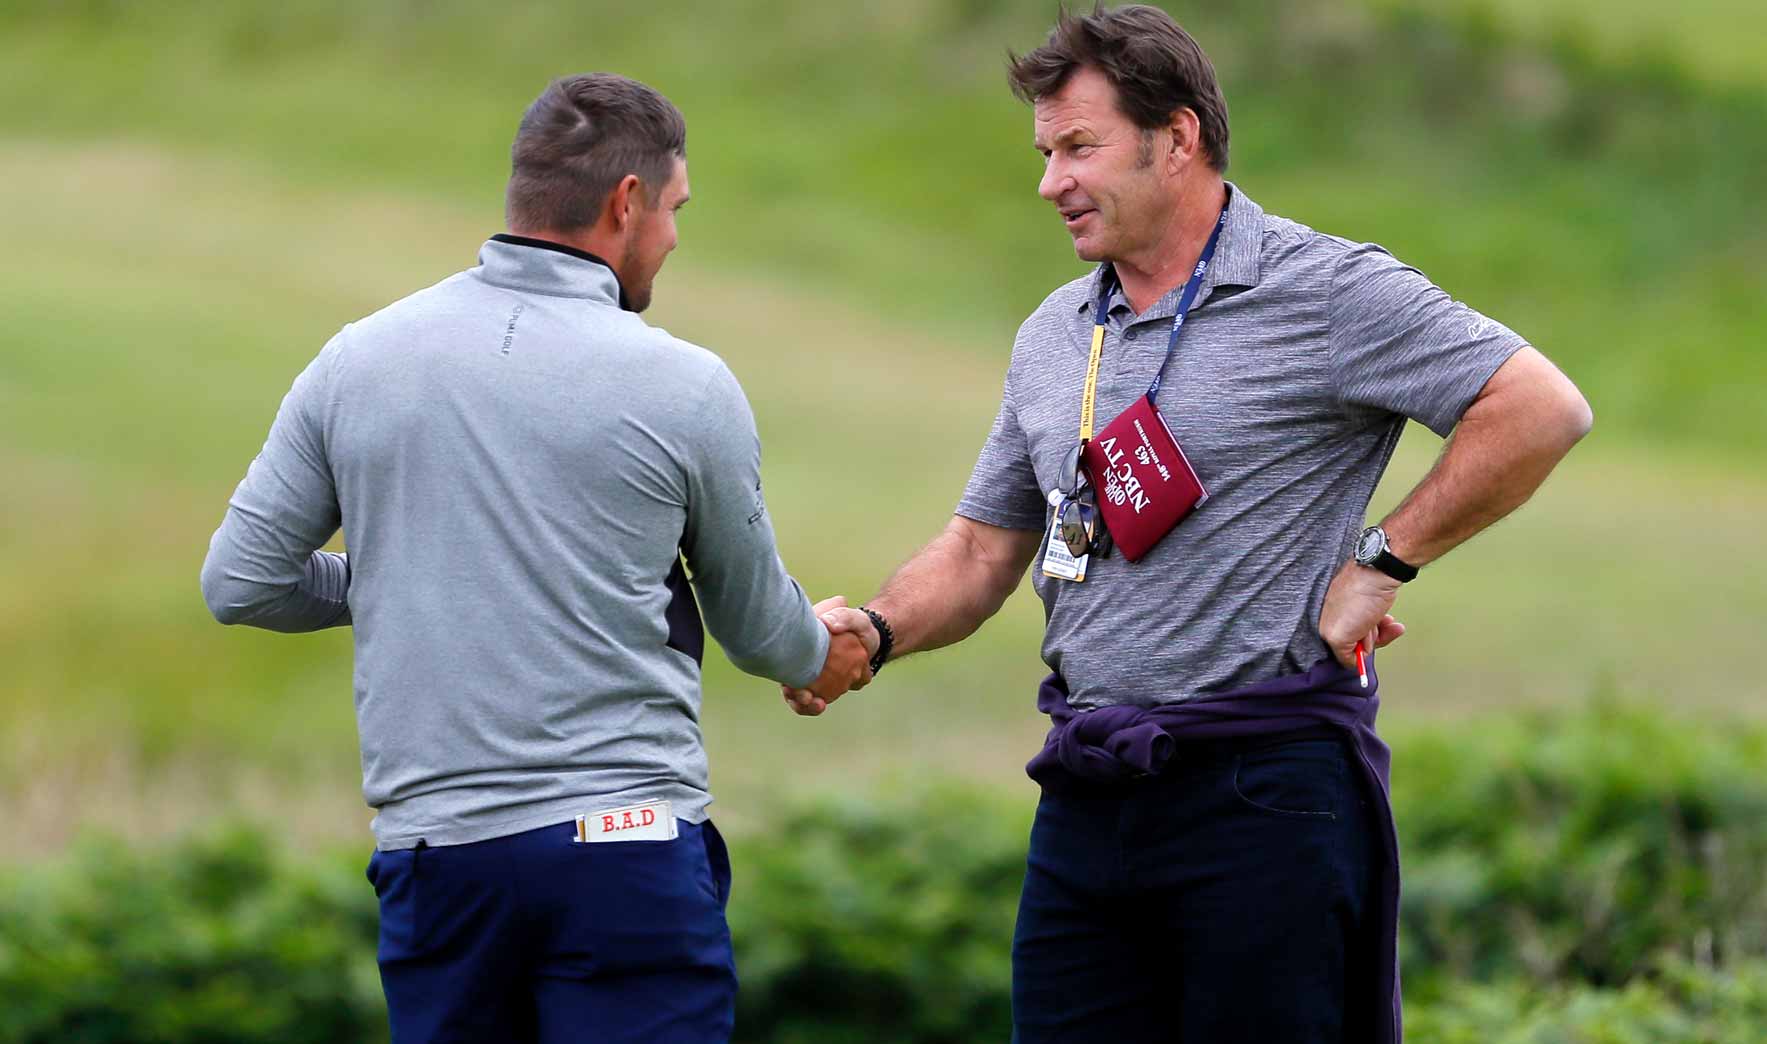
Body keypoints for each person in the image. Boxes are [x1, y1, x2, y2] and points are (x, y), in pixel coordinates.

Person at [791, 6, 1592, 1042]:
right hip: (1086, 791)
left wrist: (1382, 558)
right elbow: (984, 545)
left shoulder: (1324, 289)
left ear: (1175, 139)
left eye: (1077, 147)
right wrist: (878, 632)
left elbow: (1536, 407)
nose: (1049, 182)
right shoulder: (1054, 332)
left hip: (1264, 795)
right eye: (1044, 153)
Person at [201, 72, 876, 1044]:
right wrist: (831, 652)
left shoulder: (358, 359)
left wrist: (415, 569)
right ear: (627, 203)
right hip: (624, 855)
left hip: (440, 864)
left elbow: (240, 582)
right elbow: (755, 625)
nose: (675, 237)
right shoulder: (683, 386)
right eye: (675, 209)